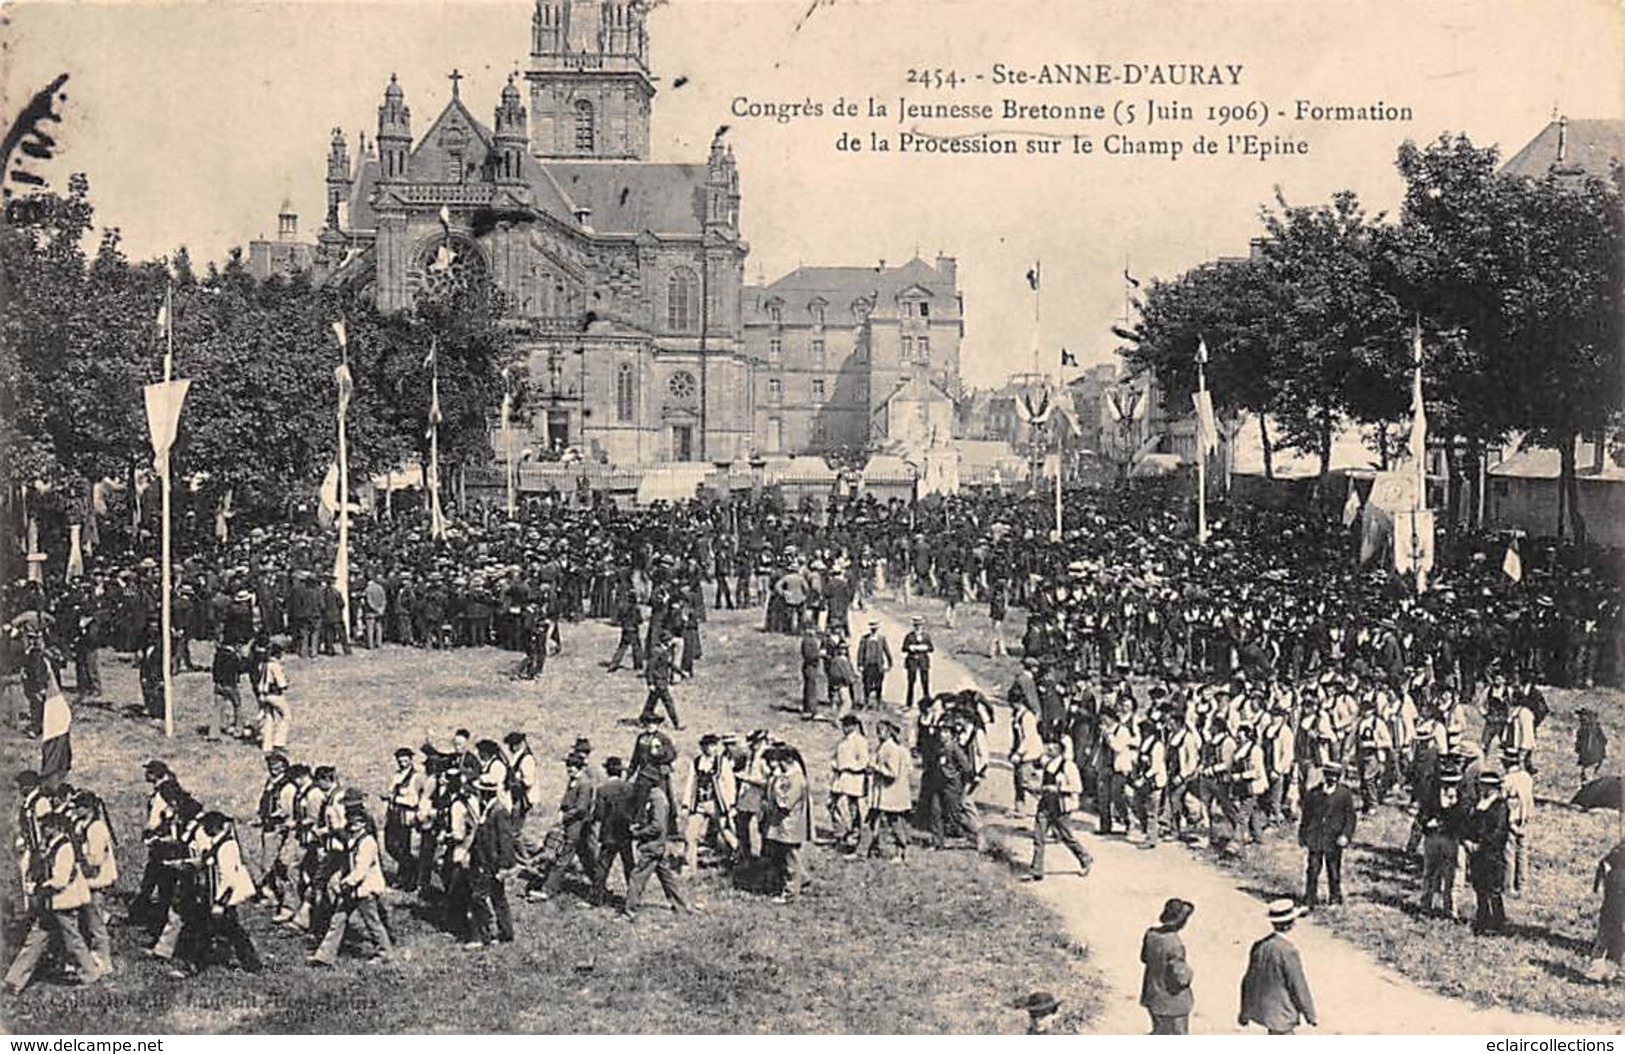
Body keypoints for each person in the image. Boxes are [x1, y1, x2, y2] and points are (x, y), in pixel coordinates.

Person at [4, 813, 103, 994]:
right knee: (35, 940)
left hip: (64, 902)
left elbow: (60, 880)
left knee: (73, 941)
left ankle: (91, 974)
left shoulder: (65, 847)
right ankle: (15, 980)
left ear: (56, 827)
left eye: (46, 826)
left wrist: (38, 888)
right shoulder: (52, 845)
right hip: (51, 903)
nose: (43, 829)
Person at [311, 794, 393, 966]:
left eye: (357, 822)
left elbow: (361, 870)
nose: (352, 825)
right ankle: (324, 956)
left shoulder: (367, 842)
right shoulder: (353, 839)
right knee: (338, 920)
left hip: (364, 889)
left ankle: (384, 952)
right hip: (352, 889)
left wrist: (347, 882)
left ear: (364, 824)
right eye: (350, 821)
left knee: (372, 922)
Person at [621, 766, 694, 921]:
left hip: (652, 845)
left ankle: (629, 912)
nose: (639, 783)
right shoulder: (652, 796)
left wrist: (638, 833)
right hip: (656, 845)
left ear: (650, 782)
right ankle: (682, 906)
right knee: (666, 877)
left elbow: (658, 826)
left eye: (642, 780)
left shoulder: (657, 798)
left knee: (636, 877)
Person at [1238, 899, 1317, 1035]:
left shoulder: (1259, 946)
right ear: (1291, 924)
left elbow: (1248, 981)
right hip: (1283, 1014)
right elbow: (1297, 985)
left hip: (1266, 1012)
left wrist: (1245, 1012)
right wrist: (1310, 1015)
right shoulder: (1288, 951)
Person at [1024, 739, 1091, 882]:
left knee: (1066, 836)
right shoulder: (1047, 764)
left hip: (1060, 806)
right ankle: (1037, 870)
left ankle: (1085, 858)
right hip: (1045, 805)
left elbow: (1078, 788)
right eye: (1048, 745)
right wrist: (1035, 788)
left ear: (1060, 750)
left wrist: (1058, 789)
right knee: (1038, 836)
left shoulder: (1068, 766)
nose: (1048, 748)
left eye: (1052, 746)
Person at [535, 751, 599, 901]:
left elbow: (581, 808)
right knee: (587, 859)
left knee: (562, 860)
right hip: (574, 827)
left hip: (577, 827)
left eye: (573, 766)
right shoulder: (573, 780)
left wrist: (564, 816)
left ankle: (548, 890)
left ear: (580, 767)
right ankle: (599, 885)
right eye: (568, 766)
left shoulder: (584, 784)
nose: (570, 769)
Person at [1299, 761, 1357, 908]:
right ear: (1324, 775)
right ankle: (1309, 899)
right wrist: (1303, 834)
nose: (1332, 779)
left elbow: (1350, 818)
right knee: (1312, 869)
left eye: (1336, 776)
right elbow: (1306, 816)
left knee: (1333, 870)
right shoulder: (1314, 793)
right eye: (1329, 775)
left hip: (1334, 839)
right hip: (1316, 838)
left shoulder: (1344, 794)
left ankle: (1335, 898)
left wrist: (1345, 835)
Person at [856, 718, 913, 861]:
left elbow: (892, 773)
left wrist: (875, 768)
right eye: (877, 731)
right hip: (880, 793)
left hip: (890, 794)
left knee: (894, 822)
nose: (878, 734)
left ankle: (901, 852)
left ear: (888, 732)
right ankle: (863, 852)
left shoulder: (892, 749)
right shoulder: (883, 747)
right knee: (870, 820)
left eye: (880, 731)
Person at [761, 745, 813, 903]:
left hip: (789, 826)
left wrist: (776, 786)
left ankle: (791, 893)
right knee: (785, 856)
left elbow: (785, 803)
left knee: (791, 859)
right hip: (783, 825)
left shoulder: (795, 779)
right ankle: (801, 880)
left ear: (786, 761)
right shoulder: (790, 777)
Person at [680, 735, 736, 874]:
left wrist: (730, 805)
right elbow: (690, 783)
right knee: (690, 834)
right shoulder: (697, 762)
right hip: (699, 804)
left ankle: (736, 861)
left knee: (726, 833)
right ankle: (689, 867)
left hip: (717, 804)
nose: (708, 748)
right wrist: (686, 804)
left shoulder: (722, 762)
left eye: (711, 745)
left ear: (716, 746)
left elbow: (730, 784)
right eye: (705, 745)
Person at [1140, 898, 1196, 1035]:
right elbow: (1181, 978)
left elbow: (1144, 958)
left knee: (1159, 1032)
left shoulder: (1151, 934)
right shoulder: (1175, 944)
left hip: (1153, 997)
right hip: (1173, 1003)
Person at [1464, 770, 1510, 935]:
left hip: (1492, 854)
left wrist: (1480, 844)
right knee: (1479, 887)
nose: (1481, 788)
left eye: (1484, 786)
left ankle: (1497, 922)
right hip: (1478, 853)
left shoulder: (1500, 806)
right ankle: (1482, 919)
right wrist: (1468, 840)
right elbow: (1470, 825)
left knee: (1493, 889)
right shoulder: (1480, 803)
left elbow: (1498, 833)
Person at [1585, 835, 1625, 984]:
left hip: (1614, 885)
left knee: (1607, 928)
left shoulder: (1618, 849)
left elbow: (1603, 864)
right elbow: (1604, 863)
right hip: (1617, 888)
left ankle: (1597, 967)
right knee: (1612, 928)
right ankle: (1603, 969)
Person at [383, 747, 423, 889]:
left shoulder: (415, 777)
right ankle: (409, 872)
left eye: (405, 760)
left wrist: (394, 798)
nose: (403, 763)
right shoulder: (396, 775)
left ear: (411, 760)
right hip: (393, 815)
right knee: (390, 846)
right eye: (400, 761)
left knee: (401, 848)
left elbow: (413, 801)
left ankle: (408, 876)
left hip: (404, 817)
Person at [828, 715, 869, 850]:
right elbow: (834, 757)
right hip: (840, 778)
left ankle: (855, 834)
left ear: (852, 726)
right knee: (832, 805)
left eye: (846, 725)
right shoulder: (842, 742)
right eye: (843, 725)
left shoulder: (860, 741)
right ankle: (841, 832)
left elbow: (863, 762)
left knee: (853, 808)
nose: (844, 728)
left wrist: (849, 766)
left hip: (853, 779)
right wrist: (836, 765)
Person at [256, 642, 290, 753]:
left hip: (263, 694)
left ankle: (267, 745)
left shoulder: (262, 664)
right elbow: (282, 684)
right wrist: (286, 682)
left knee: (269, 718)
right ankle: (279, 742)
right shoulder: (275, 666)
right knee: (286, 716)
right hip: (274, 695)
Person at [856, 620, 892, 708]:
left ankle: (878, 701)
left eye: (875, 628)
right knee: (867, 684)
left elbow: (887, 651)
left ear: (878, 628)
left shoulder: (881, 638)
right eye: (872, 628)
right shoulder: (864, 639)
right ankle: (866, 701)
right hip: (868, 666)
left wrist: (889, 663)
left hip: (878, 665)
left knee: (879, 684)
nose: (874, 630)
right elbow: (860, 652)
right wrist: (860, 664)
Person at [902, 615, 933, 711]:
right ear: (914, 626)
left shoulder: (926, 636)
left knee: (925, 682)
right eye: (916, 625)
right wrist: (910, 648)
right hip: (912, 661)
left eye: (920, 625)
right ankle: (909, 703)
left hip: (923, 661)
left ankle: (927, 703)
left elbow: (931, 648)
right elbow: (903, 648)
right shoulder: (909, 636)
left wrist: (925, 648)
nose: (918, 627)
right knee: (911, 682)